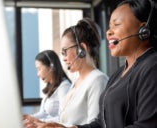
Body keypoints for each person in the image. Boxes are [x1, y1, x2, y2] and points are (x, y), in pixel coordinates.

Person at [24, 0, 157, 128]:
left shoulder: (152, 66)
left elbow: (147, 125)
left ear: (143, 30)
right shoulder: (118, 75)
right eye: (109, 27)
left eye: (116, 25)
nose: (108, 32)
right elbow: (101, 123)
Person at [23, 18, 109, 128]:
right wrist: (42, 123)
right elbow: (67, 121)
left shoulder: (97, 80)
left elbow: (97, 125)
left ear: (82, 48)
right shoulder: (77, 82)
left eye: (65, 51)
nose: (63, 58)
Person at [23, 50, 71, 122]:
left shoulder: (64, 87)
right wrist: (29, 117)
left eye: (39, 69)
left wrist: (41, 121)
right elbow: (43, 113)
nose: (38, 74)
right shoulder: (50, 87)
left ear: (51, 67)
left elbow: (64, 118)